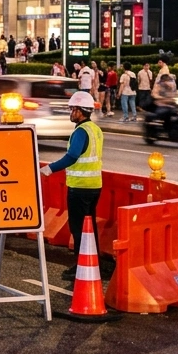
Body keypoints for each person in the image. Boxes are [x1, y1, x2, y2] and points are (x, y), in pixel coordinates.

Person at [39, 91, 107, 281]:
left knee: (78, 229)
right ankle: (94, 263)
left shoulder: (80, 131)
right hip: (94, 186)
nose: (70, 113)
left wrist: (50, 169)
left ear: (80, 111)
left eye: (72, 109)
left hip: (80, 188)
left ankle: (81, 266)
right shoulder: (95, 129)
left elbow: (72, 156)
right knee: (89, 227)